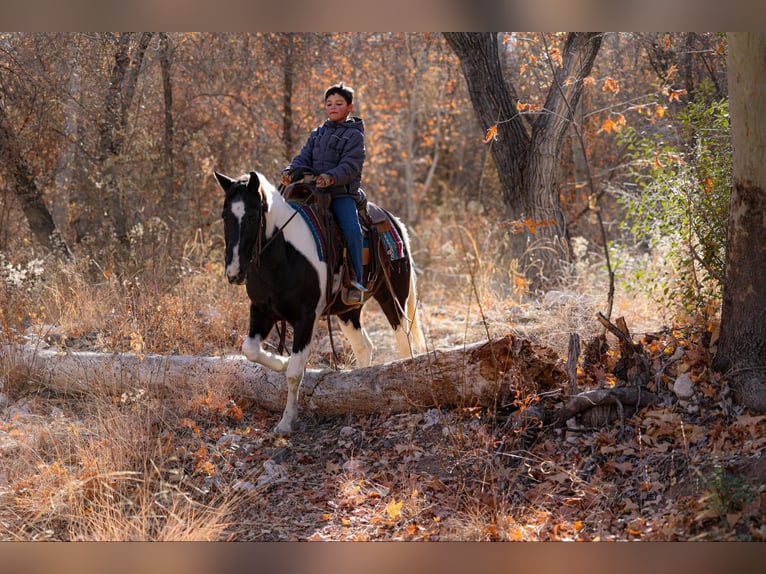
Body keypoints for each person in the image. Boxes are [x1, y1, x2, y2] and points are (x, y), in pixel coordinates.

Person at [281, 82, 368, 304]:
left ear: (350, 107)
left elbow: (351, 166)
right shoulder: (317, 133)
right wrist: (291, 171)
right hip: (312, 190)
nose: (333, 107)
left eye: (339, 103)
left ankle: (354, 281)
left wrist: (330, 177)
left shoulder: (355, 136)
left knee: (353, 231)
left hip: (340, 194)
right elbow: (304, 157)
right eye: (329, 103)